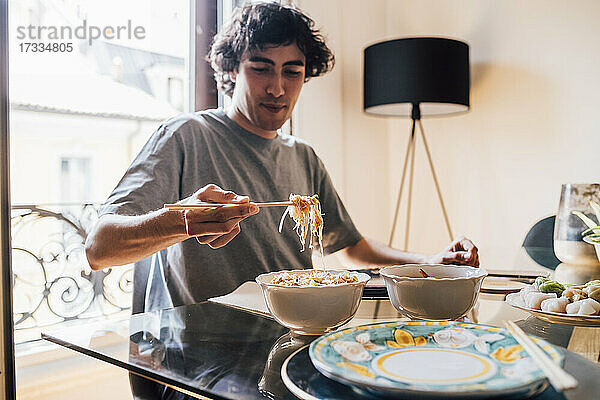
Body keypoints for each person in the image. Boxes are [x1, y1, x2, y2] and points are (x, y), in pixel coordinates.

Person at [85, 2, 479, 314]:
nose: (277, 87)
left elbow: (352, 249)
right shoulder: (187, 135)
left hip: (294, 333)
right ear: (232, 70)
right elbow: (99, 249)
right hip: (203, 354)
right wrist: (183, 220)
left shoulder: (303, 156)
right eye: (260, 68)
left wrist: (430, 259)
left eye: (292, 72)